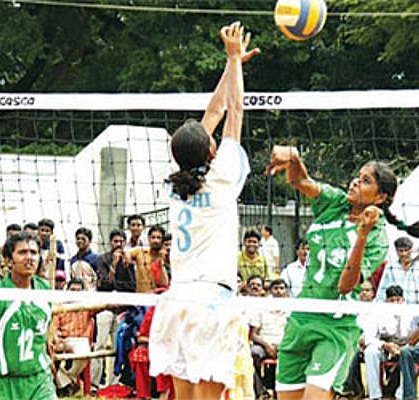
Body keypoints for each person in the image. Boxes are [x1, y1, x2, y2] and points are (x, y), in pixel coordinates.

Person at [266, 145, 419, 400]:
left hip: (335, 326)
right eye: (358, 176)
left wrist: (361, 236)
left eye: (365, 181)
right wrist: (294, 158)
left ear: (380, 198)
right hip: (300, 319)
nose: (355, 182)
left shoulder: (376, 239)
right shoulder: (334, 202)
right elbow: (300, 180)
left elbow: (344, 286)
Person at [149, 21, 259, 400]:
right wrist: (233, 61)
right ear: (210, 151)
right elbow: (235, 111)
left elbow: (212, 113)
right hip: (212, 301)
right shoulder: (223, 177)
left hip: (177, 302)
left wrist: (233, 66)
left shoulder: (175, 186)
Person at [0, 232, 56, 399]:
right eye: (22, 252)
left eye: (33, 252)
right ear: (9, 261)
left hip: (39, 378)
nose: (30, 257)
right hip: (1, 382)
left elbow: (45, 324)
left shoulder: (44, 289)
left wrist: (50, 346)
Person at [91, 228, 136, 394]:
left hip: (122, 310)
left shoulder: (130, 260)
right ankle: (94, 385)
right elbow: (104, 284)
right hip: (105, 307)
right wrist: (114, 266)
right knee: (100, 345)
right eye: (116, 241)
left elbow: (132, 286)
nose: (119, 245)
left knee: (118, 347)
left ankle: (112, 385)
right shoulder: (102, 259)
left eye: (122, 241)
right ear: (111, 242)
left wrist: (125, 266)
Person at [53, 278, 97, 397]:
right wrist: (58, 340)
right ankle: (64, 384)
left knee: (84, 352)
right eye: (72, 290)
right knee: (51, 351)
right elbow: (54, 327)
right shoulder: (60, 306)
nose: (75, 293)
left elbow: (99, 309)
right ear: (67, 290)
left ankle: (64, 380)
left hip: (81, 339)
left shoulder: (87, 306)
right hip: (64, 339)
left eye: (78, 290)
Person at [249, 278, 289, 398]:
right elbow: (252, 334)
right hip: (263, 344)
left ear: (286, 291)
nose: (279, 291)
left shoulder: (291, 309)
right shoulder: (262, 307)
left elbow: (293, 333)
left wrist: (281, 345)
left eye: (282, 288)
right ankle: (260, 391)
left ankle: (282, 392)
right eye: (276, 288)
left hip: (284, 344)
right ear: (270, 291)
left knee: (295, 353)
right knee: (252, 353)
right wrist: (266, 345)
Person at [376, 236, 419, 304]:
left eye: (406, 250)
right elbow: (382, 289)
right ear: (396, 251)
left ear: (411, 250)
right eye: (401, 251)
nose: (404, 254)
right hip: (395, 307)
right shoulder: (390, 266)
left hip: (415, 308)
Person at [128, 225, 169, 292]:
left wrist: (161, 262)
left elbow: (164, 284)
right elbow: (126, 253)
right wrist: (127, 259)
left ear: (162, 240)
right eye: (153, 237)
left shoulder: (167, 256)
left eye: (158, 238)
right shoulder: (140, 251)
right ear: (148, 239)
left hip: (158, 298)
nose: (155, 240)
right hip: (141, 297)